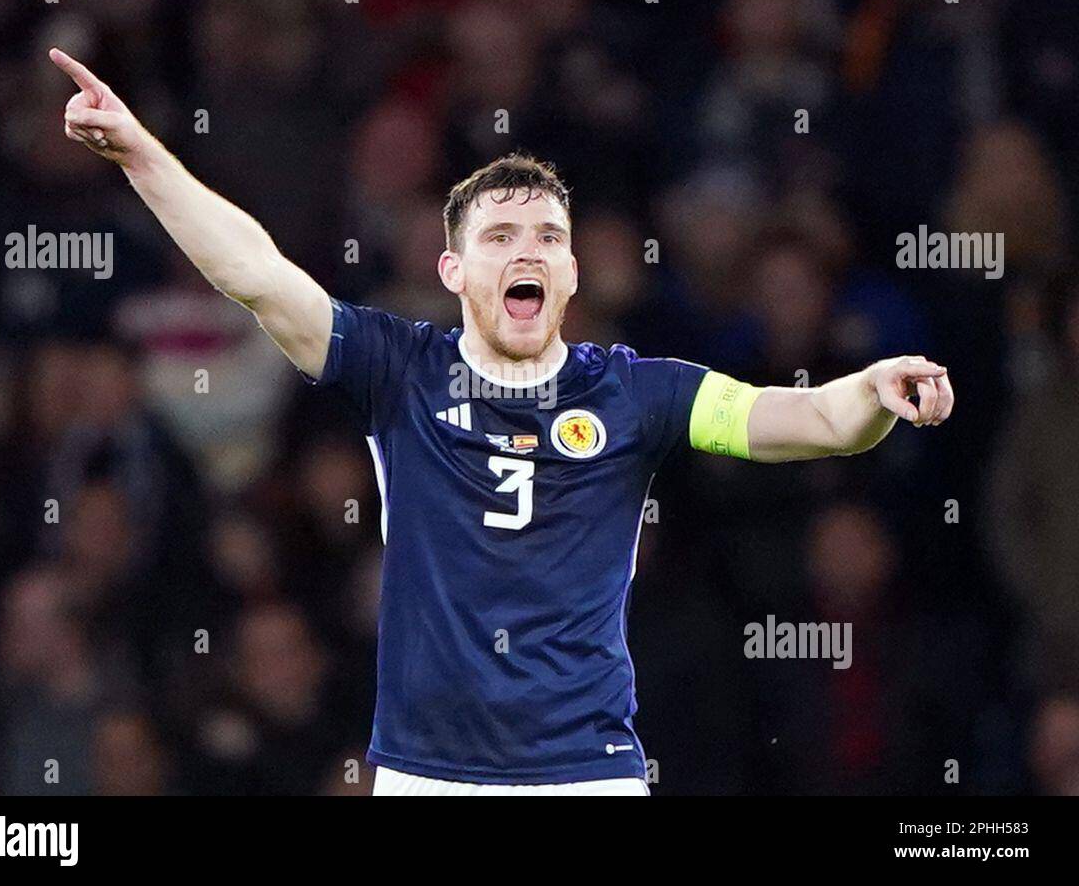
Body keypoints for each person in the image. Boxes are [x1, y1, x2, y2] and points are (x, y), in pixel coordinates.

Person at [48, 48, 955, 796]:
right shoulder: (398, 371)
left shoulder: (637, 393)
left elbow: (805, 420)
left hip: (585, 777)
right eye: (500, 238)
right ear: (452, 272)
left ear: (569, 276)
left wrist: (872, 392)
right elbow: (254, 272)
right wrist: (139, 154)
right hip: (423, 775)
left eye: (549, 239)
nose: (528, 252)